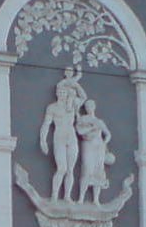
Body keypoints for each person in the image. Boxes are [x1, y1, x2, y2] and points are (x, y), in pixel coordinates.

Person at [39, 69, 86, 201]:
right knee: (62, 168)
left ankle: (67, 196)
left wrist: (75, 84)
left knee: (70, 169)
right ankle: (54, 195)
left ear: (67, 93)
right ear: (56, 93)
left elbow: (83, 97)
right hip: (59, 136)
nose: (61, 94)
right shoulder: (52, 107)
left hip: (71, 136)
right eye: (59, 92)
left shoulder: (73, 105)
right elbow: (46, 124)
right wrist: (43, 140)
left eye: (64, 92)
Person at [76, 99, 114, 204]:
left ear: (94, 107)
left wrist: (104, 143)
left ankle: (96, 199)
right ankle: (81, 198)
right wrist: (92, 128)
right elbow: (80, 131)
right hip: (88, 145)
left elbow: (108, 134)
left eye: (91, 106)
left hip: (99, 146)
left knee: (98, 171)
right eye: (87, 106)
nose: (89, 108)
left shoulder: (99, 121)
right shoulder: (83, 119)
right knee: (86, 169)